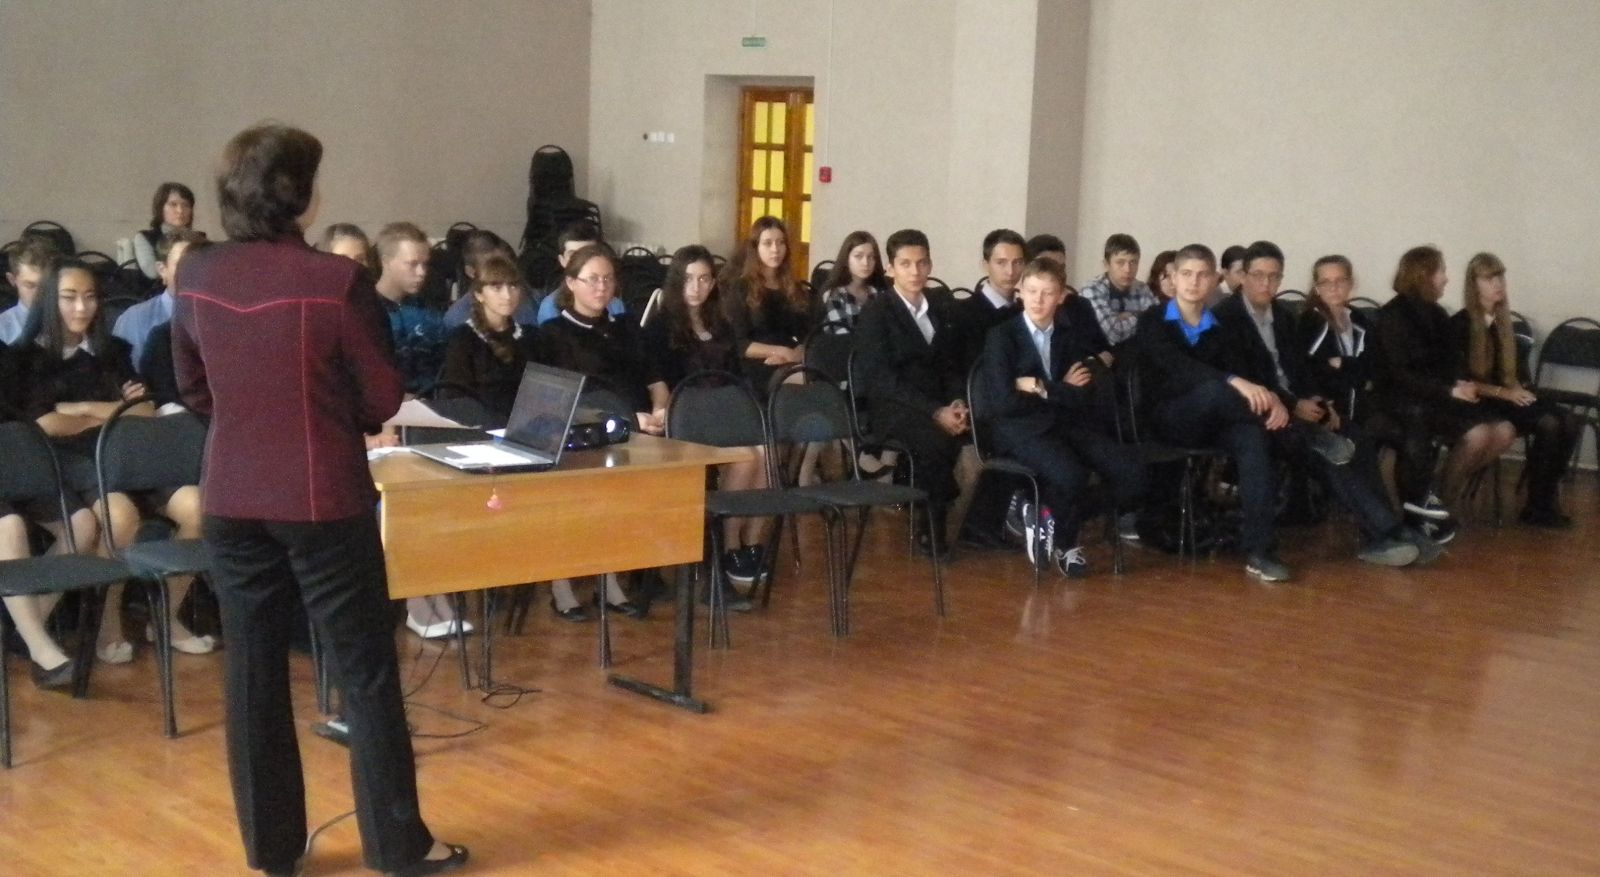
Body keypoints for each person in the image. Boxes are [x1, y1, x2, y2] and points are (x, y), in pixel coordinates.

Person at [171, 123, 465, 877]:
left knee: (252, 669)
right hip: (321, 494)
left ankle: (272, 850)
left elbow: (194, 387)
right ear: (299, 194)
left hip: (232, 493)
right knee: (364, 670)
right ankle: (399, 846)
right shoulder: (335, 281)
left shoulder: (197, 272)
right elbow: (381, 396)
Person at [1214, 241, 1435, 568]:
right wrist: (1294, 404)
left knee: (1357, 438)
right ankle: (1388, 532)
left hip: (1296, 407)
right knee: (1324, 453)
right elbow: (1244, 377)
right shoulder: (1225, 318)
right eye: (1258, 275)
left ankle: (1383, 531)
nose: (1266, 283)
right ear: (1243, 277)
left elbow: (1300, 370)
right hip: (1259, 414)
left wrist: (1320, 401)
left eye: (1274, 276)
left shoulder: (1282, 316)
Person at [13, 258, 162, 662]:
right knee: (118, 516)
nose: (82, 307)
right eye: (69, 297)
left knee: (123, 515)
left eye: (90, 297)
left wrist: (81, 408)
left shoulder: (113, 351)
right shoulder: (23, 359)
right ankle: (77, 624)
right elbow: (46, 424)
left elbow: (144, 410)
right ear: (49, 300)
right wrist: (114, 409)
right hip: (56, 463)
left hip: (116, 456)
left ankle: (100, 620)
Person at [976, 258, 1148, 576]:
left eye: (1047, 292)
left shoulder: (1069, 336)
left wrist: (1040, 387)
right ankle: (1066, 544)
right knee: (1071, 475)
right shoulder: (1002, 336)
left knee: (1132, 472)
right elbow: (1002, 401)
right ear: (1020, 292)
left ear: (1060, 297)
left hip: (1066, 423)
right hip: (1018, 429)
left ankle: (1046, 514)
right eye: (1032, 291)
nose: (1038, 300)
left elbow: (1082, 394)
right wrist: (1059, 390)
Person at [1135, 244, 1291, 581]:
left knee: (1252, 437)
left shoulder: (1220, 326)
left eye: (1202, 275)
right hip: (1168, 420)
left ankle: (1260, 551)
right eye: (1186, 274)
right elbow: (1177, 368)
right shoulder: (1152, 320)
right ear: (1173, 278)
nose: (1194, 282)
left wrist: (1273, 398)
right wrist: (1236, 382)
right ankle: (1297, 435)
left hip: (1217, 420)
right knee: (1216, 390)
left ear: (1214, 280)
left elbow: (1249, 371)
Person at [536, 244, 657, 620]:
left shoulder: (626, 327)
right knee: (575, 503)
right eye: (592, 279)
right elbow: (559, 397)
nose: (601, 287)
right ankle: (561, 585)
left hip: (636, 431)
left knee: (628, 503)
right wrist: (630, 419)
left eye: (608, 279)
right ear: (571, 282)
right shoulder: (552, 333)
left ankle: (610, 578)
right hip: (582, 437)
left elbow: (652, 377)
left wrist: (660, 409)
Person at [643, 245, 767, 603]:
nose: (696, 287)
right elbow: (658, 382)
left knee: (767, 453)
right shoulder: (660, 326)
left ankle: (748, 543)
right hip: (688, 418)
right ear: (675, 282)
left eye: (704, 279)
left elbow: (737, 376)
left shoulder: (720, 322)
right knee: (746, 457)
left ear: (713, 283)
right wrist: (664, 409)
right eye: (688, 279)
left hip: (725, 411)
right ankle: (726, 549)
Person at [1373, 245, 1515, 526]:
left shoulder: (1437, 314)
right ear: (1423, 275)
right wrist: (1450, 390)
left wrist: (1460, 382)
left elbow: (1451, 361)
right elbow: (1400, 375)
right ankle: (1437, 504)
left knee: (1504, 431)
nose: (1446, 279)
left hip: (1438, 396)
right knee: (1478, 435)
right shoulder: (1393, 316)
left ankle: (1439, 495)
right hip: (1405, 401)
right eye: (1441, 272)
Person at [853, 229, 967, 557]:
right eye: (905, 264)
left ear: (930, 264)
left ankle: (976, 523)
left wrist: (957, 402)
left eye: (921, 263)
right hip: (894, 406)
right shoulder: (877, 311)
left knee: (981, 430)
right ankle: (932, 527)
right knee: (937, 439)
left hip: (938, 402)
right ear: (890, 269)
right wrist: (935, 411)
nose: (915, 271)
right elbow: (881, 379)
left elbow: (951, 365)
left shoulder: (941, 306)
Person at [0, 338, 102, 689]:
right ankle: (43, 653)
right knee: (9, 527)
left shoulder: (5, 355)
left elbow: (29, 414)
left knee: (82, 524)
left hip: (16, 460)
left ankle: (25, 628)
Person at [1450, 252, 1579, 527]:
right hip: (1481, 401)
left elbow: (1513, 372)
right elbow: (1462, 381)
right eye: (1489, 278)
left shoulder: (1503, 322)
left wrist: (1520, 387)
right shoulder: (1460, 324)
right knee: (1548, 423)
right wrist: (1506, 393)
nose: (1498, 283)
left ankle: (1542, 502)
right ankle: (1538, 506)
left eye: (1500, 276)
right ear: (1474, 285)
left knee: (1568, 420)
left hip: (1505, 396)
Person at [439, 254, 539, 420]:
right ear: (479, 294)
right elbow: (455, 398)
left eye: (513, 286)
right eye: (497, 288)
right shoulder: (463, 339)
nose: (507, 295)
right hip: (479, 426)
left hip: (527, 425)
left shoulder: (532, 336)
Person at [722, 216, 812, 395]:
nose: (775, 249)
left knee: (820, 376)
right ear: (755, 248)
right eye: (768, 243)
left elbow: (806, 333)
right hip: (758, 363)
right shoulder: (741, 288)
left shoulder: (792, 287)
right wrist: (781, 352)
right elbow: (740, 344)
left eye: (781, 243)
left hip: (789, 359)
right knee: (808, 381)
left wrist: (797, 353)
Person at [114, 228, 208, 368]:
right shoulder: (136, 319)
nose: (193, 272)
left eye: (200, 265)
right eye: (182, 265)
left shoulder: (221, 316)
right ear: (162, 270)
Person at [441, 231, 539, 330]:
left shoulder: (530, 301)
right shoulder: (457, 319)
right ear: (470, 271)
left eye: (504, 264)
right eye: (491, 268)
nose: (501, 272)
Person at [532, 222, 626, 325]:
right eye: (573, 255)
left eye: (588, 255)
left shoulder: (615, 305)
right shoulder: (550, 307)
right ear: (562, 260)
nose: (580, 262)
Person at [1080, 233, 1160, 350]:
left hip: (1137, 355)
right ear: (1106, 265)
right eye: (1120, 262)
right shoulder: (1092, 290)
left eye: (1133, 262)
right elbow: (1114, 334)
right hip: (1101, 354)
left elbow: (1159, 323)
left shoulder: (1142, 289)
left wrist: (1127, 316)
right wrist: (1143, 316)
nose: (1127, 269)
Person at [817, 230, 886, 328]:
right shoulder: (834, 294)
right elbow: (842, 334)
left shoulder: (879, 293)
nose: (866, 263)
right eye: (858, 256)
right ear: (846, 259)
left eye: (871, 257)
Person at [133, 182, 197, 280]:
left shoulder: (198, 239)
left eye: (185, 205)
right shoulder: (145, 238)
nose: (180, 210)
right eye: (173, 204)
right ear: (160, 208)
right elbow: (152, 272)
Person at [0, 237, 58, 344]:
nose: (39, 294)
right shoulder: (2, 329)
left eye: (46, 285)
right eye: (30, 285)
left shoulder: (74, 321)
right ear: (12, 280)